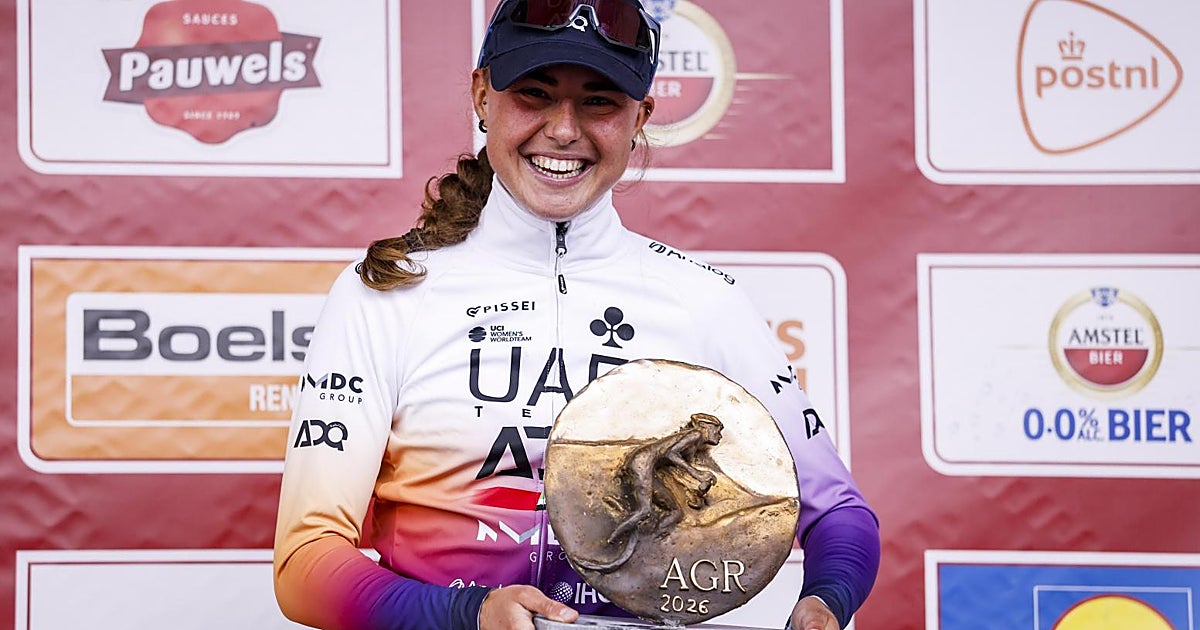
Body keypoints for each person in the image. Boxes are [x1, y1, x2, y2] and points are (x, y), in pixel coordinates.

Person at [273, 1, 880, 629]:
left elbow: (837, 511)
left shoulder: (705, 300)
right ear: (483, 96)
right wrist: (466, 615)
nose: (563, 130)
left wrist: (826, 603)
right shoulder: (386, 295)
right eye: (534, 94)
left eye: (599, 102)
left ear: (641, 117)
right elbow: (304, 566)